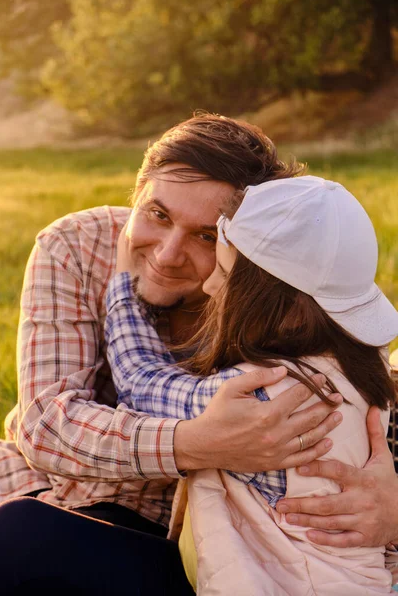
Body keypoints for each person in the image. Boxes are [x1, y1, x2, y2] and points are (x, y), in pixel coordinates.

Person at [0, 114, 395, 594]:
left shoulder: (276, 319)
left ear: (248, 246)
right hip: (94, 500)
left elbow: (140, 376)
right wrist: (198, 442)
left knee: (21, 534)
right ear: (137, 192)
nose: (167, 255)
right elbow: (46, 424)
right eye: (157, 215)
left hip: (218, 559)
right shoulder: (77, 246)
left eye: (207, 237)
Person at [104, 174, 398, 594]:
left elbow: (140, 383)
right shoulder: (357, 364)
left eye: (223, 274)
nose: (208, 286)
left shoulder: (273, 394)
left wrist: (122, 288)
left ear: (286, 309)